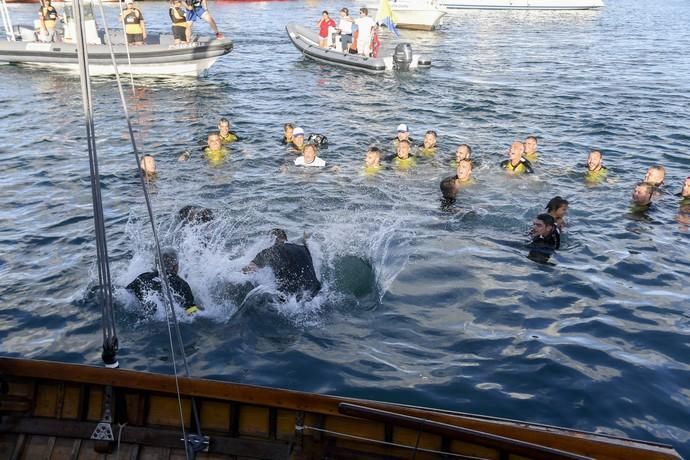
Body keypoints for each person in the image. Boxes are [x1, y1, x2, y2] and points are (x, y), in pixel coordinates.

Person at [244, 229, 321, 298]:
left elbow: (251, 267)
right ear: (286, 239)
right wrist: (305, 239)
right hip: (315, 290)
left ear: (272, 240)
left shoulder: (271, 252)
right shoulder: (303, 248)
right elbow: (307, 244)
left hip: (292, 296)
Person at [127, 248, 199, 316]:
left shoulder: (143, 277)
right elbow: (192, 313)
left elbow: (124, 294)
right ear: (175, 266)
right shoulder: (182, 284)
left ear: (156, 264)